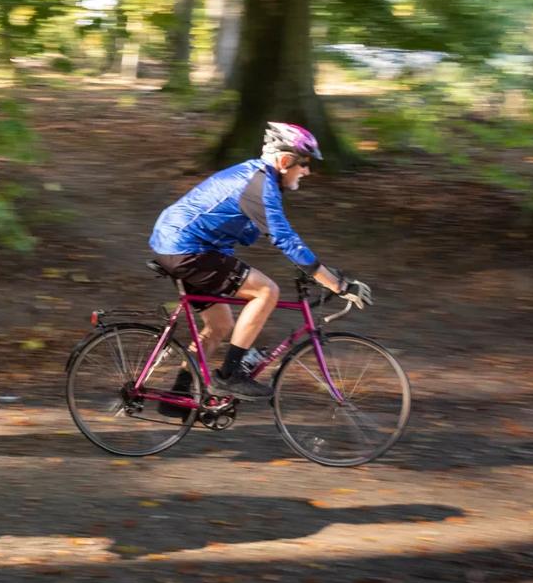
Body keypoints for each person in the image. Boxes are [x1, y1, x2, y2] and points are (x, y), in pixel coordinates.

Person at [148, 121, 371, 401]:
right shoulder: (260, 184)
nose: (307, 170)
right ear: (285, 160)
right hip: (187, 250)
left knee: (219, 327)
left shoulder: (258, 178)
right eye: (303, 163)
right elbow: (284, 239)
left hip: (178, 245)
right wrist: (337, 284)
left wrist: (317, 271)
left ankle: (179, 399)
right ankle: (230, 376)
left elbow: (271, 235)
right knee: (266, 291)